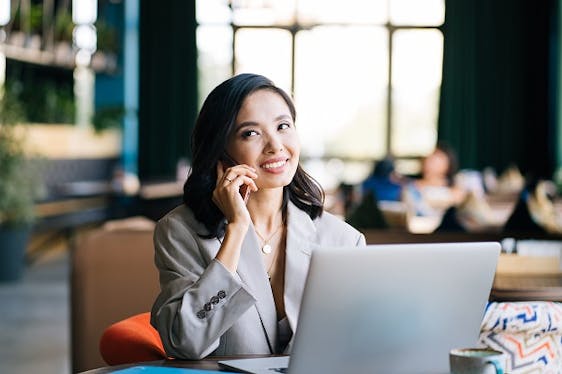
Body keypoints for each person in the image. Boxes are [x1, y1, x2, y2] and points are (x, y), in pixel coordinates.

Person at [150, 73, 366, 360]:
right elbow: (185, 341)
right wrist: (236, 231)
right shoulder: (180, 232)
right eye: (251, 133)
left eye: (283, 126)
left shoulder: (343, 241)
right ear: (221, 151)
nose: (275, 145)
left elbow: (358, 346)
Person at [403, 142, 466, 216]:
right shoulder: (410, 187)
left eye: (436, 159)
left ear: (448, 165)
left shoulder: (456, 189)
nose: (429, 161)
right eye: (429, 158)